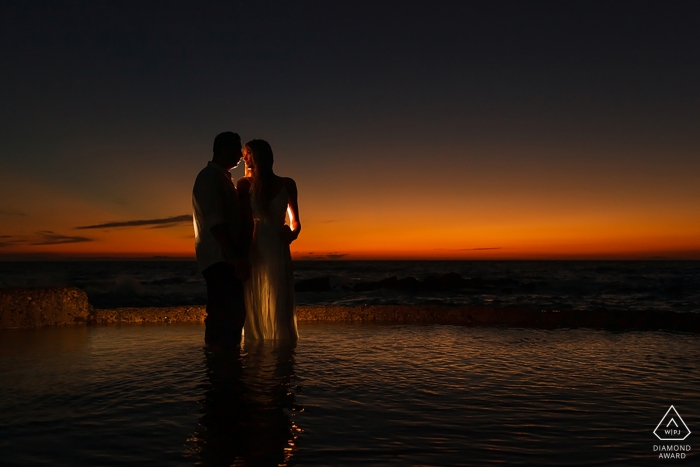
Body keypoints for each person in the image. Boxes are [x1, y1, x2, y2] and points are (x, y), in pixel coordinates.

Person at [237, 139, 301, 340]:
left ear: (259, 156)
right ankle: (256, 347)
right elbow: (245, 222)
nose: (244, 159)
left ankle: (282, 351)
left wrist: (291, 234)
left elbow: (297, 223)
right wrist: (242, 256)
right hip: (255, 245)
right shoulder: (244, 184)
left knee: (279, 297)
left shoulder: (288, 183)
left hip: (278, 245)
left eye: (247, 154)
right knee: (255, 297)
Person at [192, 132, 249, 347]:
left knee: (229, 313)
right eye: (237, 149)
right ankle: (220, 364)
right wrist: (236, 259)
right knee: (225, 313)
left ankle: (225, 362)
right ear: (223, 149)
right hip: (219, 258)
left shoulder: (222, 178)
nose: (241, 156)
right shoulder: (210, 178)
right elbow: (216, 224)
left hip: (224, 257)